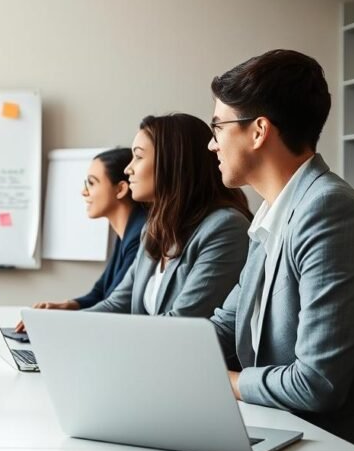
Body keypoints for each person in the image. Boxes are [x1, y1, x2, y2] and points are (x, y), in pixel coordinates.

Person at [207, 49, 354, 450]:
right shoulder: (274, 213)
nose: (212, 145)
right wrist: (152, 353)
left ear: (258, 131)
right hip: (286, 431)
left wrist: (222, 381)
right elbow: (227, 325)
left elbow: (317, 382)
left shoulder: (329, 210)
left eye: (218, 128)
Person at [77, 114, 252, 318]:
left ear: (172, 162)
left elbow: (182, 321)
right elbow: (117, 303)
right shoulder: (153, 229)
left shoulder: (225, 228)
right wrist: (58, 326)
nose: (128, 169)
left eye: (139, 157)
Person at [32, 148, 147, 310]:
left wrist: (60, 319)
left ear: (120, 189)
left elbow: (115, 305)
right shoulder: (126, 234)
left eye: (91, 183)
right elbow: (100, 292)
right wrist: (67, 305)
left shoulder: (140, 235)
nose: (84, 191)